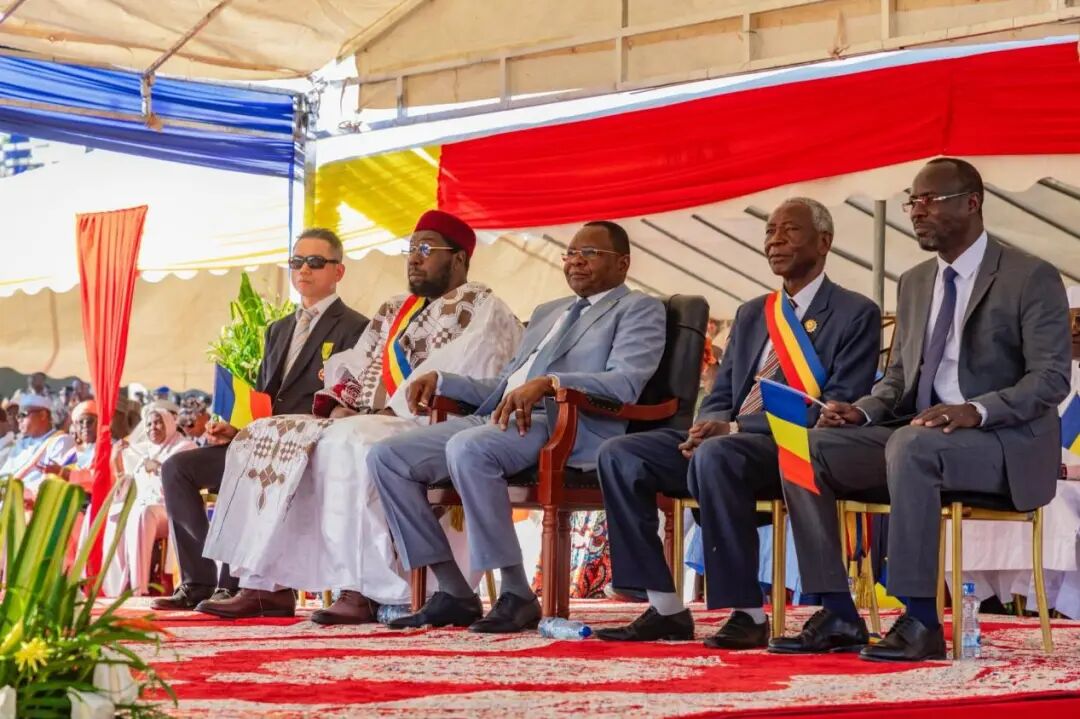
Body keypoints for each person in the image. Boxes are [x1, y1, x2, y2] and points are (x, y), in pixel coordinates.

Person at [772, 158, 1070, 662]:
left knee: (912, 444)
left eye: (929, 200)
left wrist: (975, 409)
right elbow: (898, 377)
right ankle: (837, 611)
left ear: (972, 203)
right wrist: (862, 412)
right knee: (804, 448)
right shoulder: (914, 282)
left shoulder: (1029, 276)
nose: (915, 211)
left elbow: (1051, 378)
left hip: (1003, 443)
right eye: (912, 201)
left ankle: (921, 620)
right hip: (921, 438)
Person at [197, 211, 523, 621]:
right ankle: (263, 585)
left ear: (458, 258)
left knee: (351, 442)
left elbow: (477, 372)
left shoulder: (482, 307)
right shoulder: (395, 308)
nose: (414, 258)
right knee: (261, 434)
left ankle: (362, 589)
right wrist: (338, 402)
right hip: (372, 417)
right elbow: (355, 363)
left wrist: (389, 409)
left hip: (429, 423)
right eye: (410, 249)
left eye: (425, 248)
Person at [593, 198, 881, 646]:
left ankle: (747, 613)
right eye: (769, 232)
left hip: (790, 448)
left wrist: (732, 430)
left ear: (824, 242)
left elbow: (834, 409)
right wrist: (706, 425)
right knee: (620, 454)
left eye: (789, 231)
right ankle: (664, 607)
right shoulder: (753, 313)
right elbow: (723, 393)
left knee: (718, 453)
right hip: (724, 445)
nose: (775, 241)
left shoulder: (855, 312)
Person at [369, 220, 667, 634]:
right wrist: (443, 380)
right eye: (570, 254)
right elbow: (505, 384)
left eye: (590, 254)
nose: (576, 261)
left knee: (470, 448)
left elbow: (626, 382)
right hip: (500, 416)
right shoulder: (549, 312)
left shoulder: (639, 308)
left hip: (564, 422)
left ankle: (515, 592)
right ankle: (453, 590)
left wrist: (552, 383)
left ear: (622, 263)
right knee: (387, 456)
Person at [151, 228, 369, 612]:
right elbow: (267, 397)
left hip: (313, 447)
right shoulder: (277, 330)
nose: (304, 269)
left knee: (250, 470)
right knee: (177, 468)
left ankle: (247, 588)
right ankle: (199, 581)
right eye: (297, 261)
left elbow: (353, 398)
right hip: (264, 442)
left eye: (315, 262)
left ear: (339, 271)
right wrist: (236, 429)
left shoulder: (357, 327)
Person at [98, 402, 196, 596]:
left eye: (158, 423)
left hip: (174, 510)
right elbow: (126, 486)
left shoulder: (185, 446)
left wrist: (160, 468)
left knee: (143, 513)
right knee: (118, 516)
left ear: (169, 423)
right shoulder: (143, 450)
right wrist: (117, 462)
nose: (153, 428)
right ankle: (120, 586)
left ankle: (139, 588)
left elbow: (185, 484)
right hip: (145, 508)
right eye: (149, 424)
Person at [0, 394, 76, 499]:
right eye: (18, 416)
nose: (19, 420)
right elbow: (4, 476)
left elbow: (54, 482)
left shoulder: (61, 441)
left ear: (43, 415)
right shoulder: (21, 444)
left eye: (23, 415)